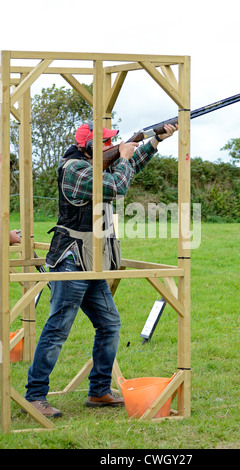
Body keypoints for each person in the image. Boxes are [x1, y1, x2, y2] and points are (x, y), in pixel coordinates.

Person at [24, 122, 178, 417]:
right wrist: (123, 156)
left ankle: (99, 391)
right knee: (57, 330)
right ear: (88, 147)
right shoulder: (74, 169)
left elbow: (130, 163)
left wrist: (156, 140)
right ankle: (35, 395)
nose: (114, 143)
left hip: (93, 260)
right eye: (107, 142)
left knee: (109, 325)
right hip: (72, 260)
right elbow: (117, 185)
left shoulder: (96, 164)